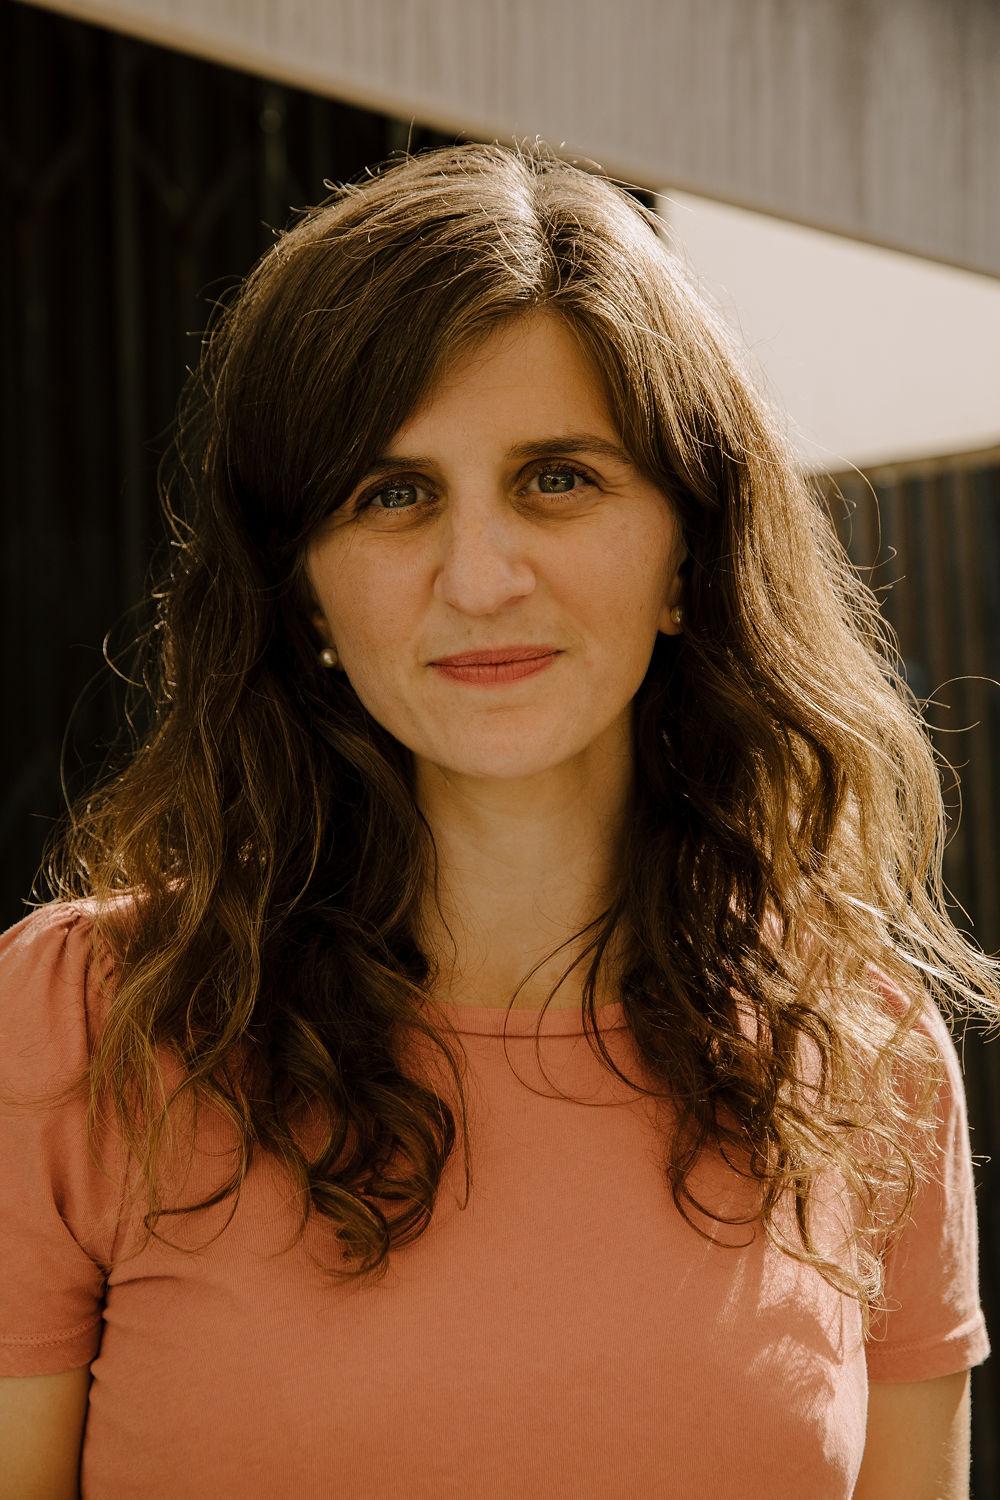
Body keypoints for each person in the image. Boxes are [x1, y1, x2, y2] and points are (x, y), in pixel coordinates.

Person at [0, 139, 995, 1500]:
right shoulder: (82, 1022)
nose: (480, 576)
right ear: (303, 594)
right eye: (392, 494)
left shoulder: (869, 1059)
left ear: (684, 556)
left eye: (559, 478)